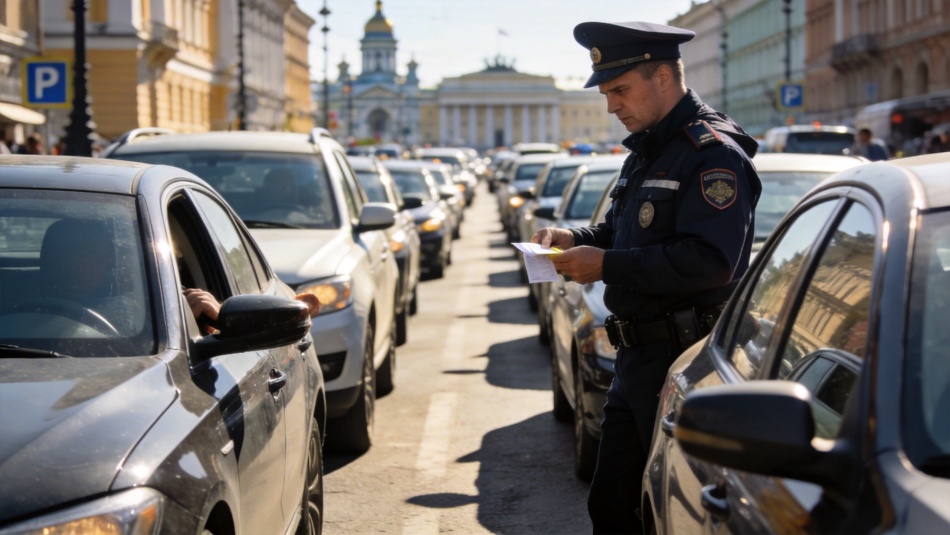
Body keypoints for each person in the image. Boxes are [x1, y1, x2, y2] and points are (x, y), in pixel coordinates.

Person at [532, 21, 761, 533]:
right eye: (606, 94)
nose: (611, 106)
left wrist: (604, 265)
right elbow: (621, 230)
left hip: (683, 361)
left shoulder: (712, 153)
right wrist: (573, 237)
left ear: (662, 77)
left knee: (672, 513)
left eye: (619, 90)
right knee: (612, 507)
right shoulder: (649, 148)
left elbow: (710, 261)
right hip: (636, 359)